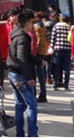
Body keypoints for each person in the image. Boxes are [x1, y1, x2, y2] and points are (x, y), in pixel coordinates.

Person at [7, 10, 45, 138]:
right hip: (20, 75)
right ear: (27, 23)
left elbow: (26, 55)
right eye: (31, 23)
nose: (32, 26)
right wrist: (30, 77)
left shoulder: (16, 33)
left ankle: (20, 133)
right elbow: (22, 58)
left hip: (13, 73)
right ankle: (32, 134)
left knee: (19, 105)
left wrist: (38, 62)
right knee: (32, 105)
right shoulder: (22, 38)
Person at [50, 15, 72, 91]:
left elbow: (53, 38)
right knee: (66, 68)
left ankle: (54, 84)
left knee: (57, 67)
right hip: (67, 49)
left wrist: (51, 47)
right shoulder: (69, 27)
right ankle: (66, 85)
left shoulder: (56, 27)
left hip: (57, 49)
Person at [33, 12, 48, 102]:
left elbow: (38, 42)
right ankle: (43, 94)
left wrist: (34, 51)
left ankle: (41, 94)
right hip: (42, 51)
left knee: (37, 74)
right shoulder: (41, 24)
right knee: (40, 74)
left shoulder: (37, 26)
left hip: (38, 53)